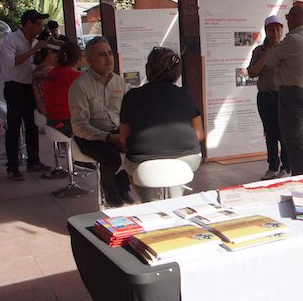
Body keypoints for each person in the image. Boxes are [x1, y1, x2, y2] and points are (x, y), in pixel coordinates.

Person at [119, 47, 204, 201]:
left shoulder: (132, 96)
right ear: (177, 73)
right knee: (175, 169)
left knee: (132, 166)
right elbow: (199, 134)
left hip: (142, 161)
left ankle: (146, 201)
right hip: (188, 157)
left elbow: (124, 139)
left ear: (148, 69)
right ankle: (175, 200)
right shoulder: (184, 94)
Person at [69, 36, 131, 207]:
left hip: (115, 130)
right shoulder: (80, 86)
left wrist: (125, 134)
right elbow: (79, 126)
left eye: (110, 53)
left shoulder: (119, 82)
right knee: (110, 155)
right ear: (89, 61)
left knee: (139, 146)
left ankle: (123, 184)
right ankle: (110, 192)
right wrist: (108, 137)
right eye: (102, 55)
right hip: (89, 136)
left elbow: (127, 114)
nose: (109, 58)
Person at [264, 4, 303, 176]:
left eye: (287, 17)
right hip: (299, 91)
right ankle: (300, 173)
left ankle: (300, 175)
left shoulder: (293, 39)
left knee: (293, 139)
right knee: (297, 138)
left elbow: (270, 60)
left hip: (292, 93)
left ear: (294, 17)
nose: (287, 21)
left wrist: (275, 51)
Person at [0, 9, 52, 181]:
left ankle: (33, 161)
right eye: (38, 25)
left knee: (32, 126)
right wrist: (33, 50)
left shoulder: (37, 41)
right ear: (28, 23)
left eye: (42, 25)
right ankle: (12, 167)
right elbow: (11, 63)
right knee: (14, 128)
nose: (41, 28)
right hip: (14, 87)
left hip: (30, 86)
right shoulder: (11, 39)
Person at [247, 15, 290, 180]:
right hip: (265, 96)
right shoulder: (259, 51)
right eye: (271, 29)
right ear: (266, 31)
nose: (275, 32)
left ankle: (286, 167)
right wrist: (266, 57)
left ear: (282, 30)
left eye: (278, 29)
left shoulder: (286, 49)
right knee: (270, 133)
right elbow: (252, 73)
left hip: (282, 96)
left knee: (284, 132)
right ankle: (272, 167)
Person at [42, 42, 81, 137]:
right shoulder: (75, 76)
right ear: (78, 59)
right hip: (67, 124)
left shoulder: (51, 72)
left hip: (51, 123)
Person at [31, 40, 61, 116]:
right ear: (50, 52)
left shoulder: (39, 69)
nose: (58, 58)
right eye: (57, 55)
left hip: (46, 111)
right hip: (50, 112)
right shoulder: (46, 70)